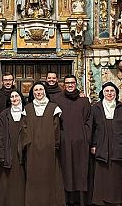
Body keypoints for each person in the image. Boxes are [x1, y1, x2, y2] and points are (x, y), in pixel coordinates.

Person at [20, 82, 65, 206]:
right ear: (32, 93)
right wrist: (28, 144)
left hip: (49, 150)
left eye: (41, 89)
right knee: (34, 179)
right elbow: (24, 128)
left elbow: (56, 128)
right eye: (36, 90)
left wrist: (54, 145)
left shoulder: (54, 108)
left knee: (49, 178)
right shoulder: (27, 108)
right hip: (32, 150)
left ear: (45, 91)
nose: (38, 92)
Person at [52, 74, 92, 206]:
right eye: (67, 83)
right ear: (64, 84)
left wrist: (86, 137)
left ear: (76, 84)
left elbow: (89, 121)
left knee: (80, 171)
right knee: (66, 170)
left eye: (72, 82)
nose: (70, 85)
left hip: (81, 141)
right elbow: (55, 122)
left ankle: (80, 200)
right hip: (65, 141)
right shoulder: (57, 100)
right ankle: (67, 200)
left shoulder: (84, 101)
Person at [91, 82, 122, 205]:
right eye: (107, 91)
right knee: (103, 175)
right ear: (102, 93)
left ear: (116, 93)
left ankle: (118, 200)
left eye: (112, 91)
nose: (109, 93)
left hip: (119, 146)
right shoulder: (95, 108)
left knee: (117, 175)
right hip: (102, 147)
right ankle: (101, 201)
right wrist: (93, 144)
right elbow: (92, 128)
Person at [0, 89, 26, 206]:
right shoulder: (4, 114)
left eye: (17, 96)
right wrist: (0, 153)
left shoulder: (27, 113)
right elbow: (0, 135)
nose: (14, 98)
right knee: (5, 180)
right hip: (8, 150)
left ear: (21, 98)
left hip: (22, 152)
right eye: (12, 97)